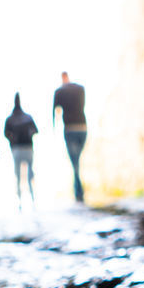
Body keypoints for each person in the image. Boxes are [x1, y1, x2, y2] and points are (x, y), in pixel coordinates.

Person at [52, 71, 87, 202]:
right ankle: (78, 191)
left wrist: (55, 127)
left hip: (70, 128)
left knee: (75, 162)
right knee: (76, 161)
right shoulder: (80, 88)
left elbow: (55, 112)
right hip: (83, 127)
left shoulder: (60, 92)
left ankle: (79, 192)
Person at [3, 93, 38, 210]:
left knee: (18, 175)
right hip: (27, 147)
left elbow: (6, 134)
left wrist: (13, 139)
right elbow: (35, 130)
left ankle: (21, 200)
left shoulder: (10, 119)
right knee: (29, 174)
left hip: (17, 148)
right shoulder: (28, 117)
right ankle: (32, 199)